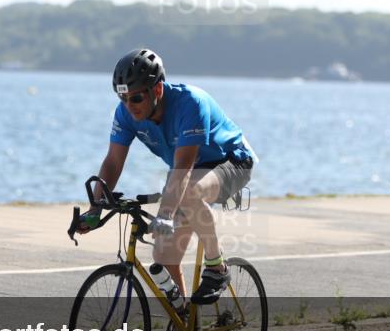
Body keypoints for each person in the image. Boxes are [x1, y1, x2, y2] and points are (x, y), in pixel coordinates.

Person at [76, 48, 256, 305]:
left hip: (232, 161)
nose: (129, 106)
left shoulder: (190, 103)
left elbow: (183, 165)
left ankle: (217, 267)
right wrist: (95, 209)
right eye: (122, 97)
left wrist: (166, 214)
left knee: (188, 193)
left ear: (157, 90)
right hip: (187, 171)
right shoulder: (126, 112)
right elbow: (114, 162)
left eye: (136, 98)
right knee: (164, 257)